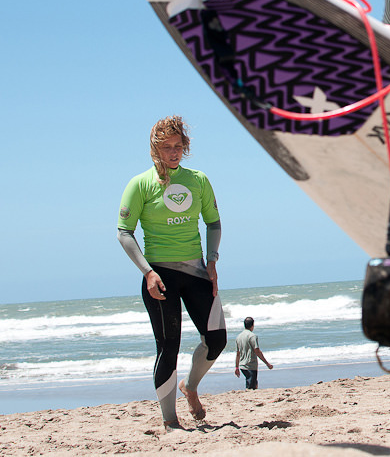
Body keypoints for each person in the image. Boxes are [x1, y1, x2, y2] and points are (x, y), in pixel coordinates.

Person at [116, 115, 227, 429]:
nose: (173, 152)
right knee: (169, 347)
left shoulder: (199, 180)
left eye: (178, 146)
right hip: (160, 276)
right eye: (167, 147)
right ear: (156, 149)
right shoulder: (140, 184)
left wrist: (213, 260)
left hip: (196, 272)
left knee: (217, 339)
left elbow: (213, 222)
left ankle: (190, 386)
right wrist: (148, 272)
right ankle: (170, 421)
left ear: (185, 146)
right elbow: (125, 232)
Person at [235, 316, 273, 389]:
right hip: (250, 365)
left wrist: (236, 367)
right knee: (251, 386)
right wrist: (267, 363)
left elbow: (238, 354)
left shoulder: (239, 337)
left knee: (253, 382)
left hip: (242, 365)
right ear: (252, 325)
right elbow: (257, 351)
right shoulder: (252, 336)